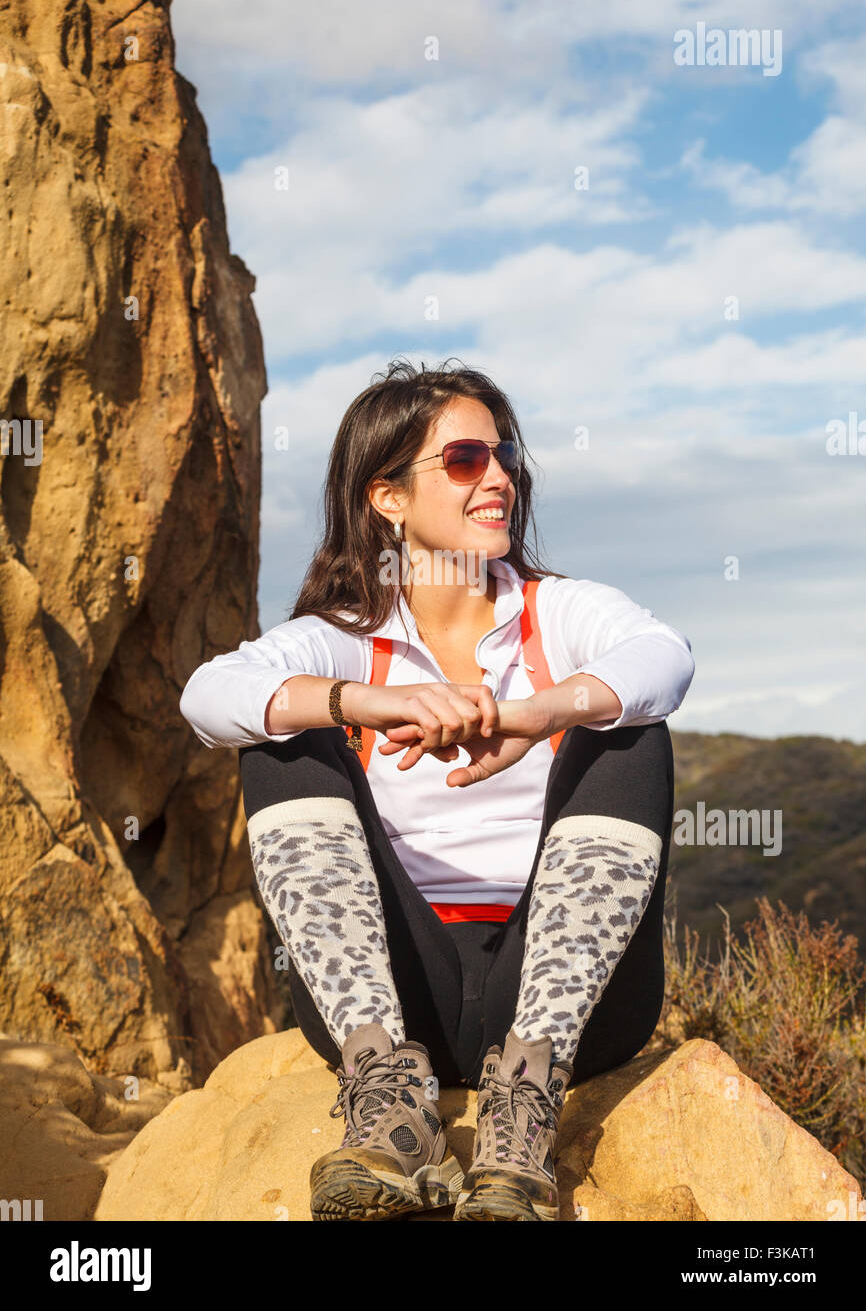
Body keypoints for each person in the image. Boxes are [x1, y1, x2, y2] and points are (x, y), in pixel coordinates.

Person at [179, 358, 695, 1222]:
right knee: (281, 730)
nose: (498, 478)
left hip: (567, 1006)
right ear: (387, 496)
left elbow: (666, 659)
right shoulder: (348, 638)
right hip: (397, 999)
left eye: (504, 459)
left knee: (630, 722)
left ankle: (523, 1113)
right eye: (464, 461)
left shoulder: (558, 613)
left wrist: (538, 714)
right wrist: (367, 702)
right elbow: (207, 697)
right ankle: (387, 1104)